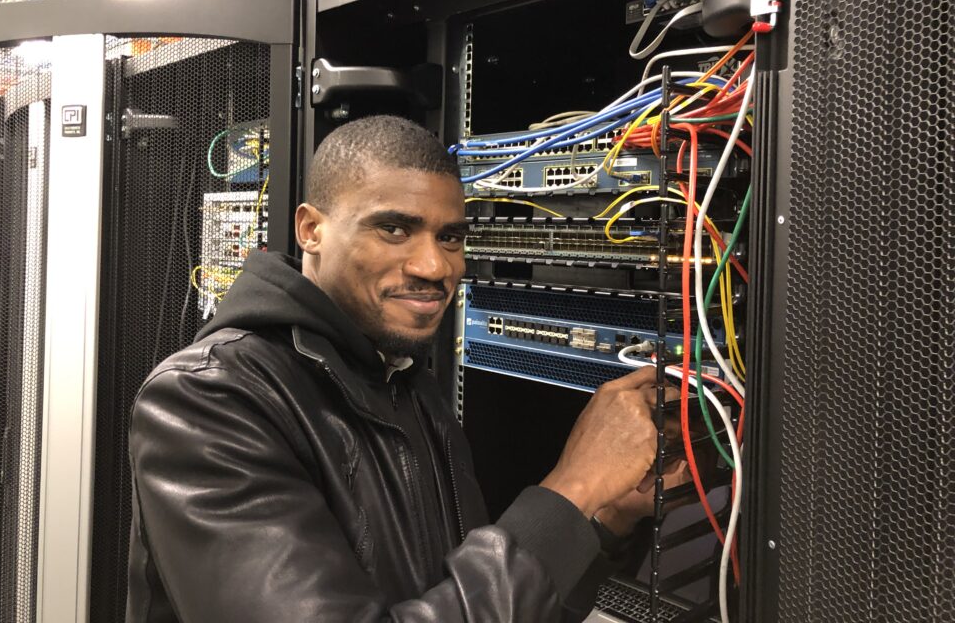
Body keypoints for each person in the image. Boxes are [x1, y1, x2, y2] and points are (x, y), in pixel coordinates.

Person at [126, 115, 679, 623]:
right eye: (394, 229)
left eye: (451, 237)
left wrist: (604, 519)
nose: (434, 266)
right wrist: (573, 489)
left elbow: (473, 600)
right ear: (310, 229)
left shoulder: (400, 379)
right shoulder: (210, 398)